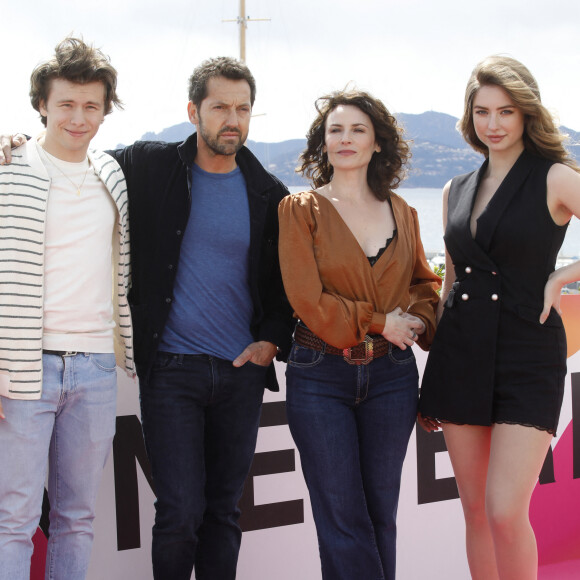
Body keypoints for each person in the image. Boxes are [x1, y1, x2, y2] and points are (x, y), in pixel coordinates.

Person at [108, 57, 293, 580]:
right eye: (219, 107)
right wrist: (20, 147)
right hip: (171, 371)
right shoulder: (148, 166)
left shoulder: (270, 194)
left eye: (242, 108)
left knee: (223, 513)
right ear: (194, 111)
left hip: (240, 373)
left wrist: (270, 343)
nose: (231, 119)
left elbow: (282, 290)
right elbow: (79, 163)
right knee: (180, 514)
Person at [418, 56, 580, 580]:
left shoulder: (555, 177)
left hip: (528, 355)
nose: (493, 124)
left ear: (526, 114)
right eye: (482, 111)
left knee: (506, 511)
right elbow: (451, 282)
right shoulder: (453, 190)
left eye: (505, 111)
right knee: (475, 512)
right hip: (461, 355)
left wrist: (562, 277)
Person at [278, 89, 441, 580]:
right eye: (336, 130)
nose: (345, 138)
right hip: (319, 373)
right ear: (323, 143)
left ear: (377, 144)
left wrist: (417, 320)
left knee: (379, 517)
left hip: (392, 377)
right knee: (341, 517)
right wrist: (379, 322)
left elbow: (423, 283)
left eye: (358, 130)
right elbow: (306, 299)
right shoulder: (299, 209)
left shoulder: (404, 212)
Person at [0, 37, 134, 580]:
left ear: (105, 109)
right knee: (15, 517)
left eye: (91, 106)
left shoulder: (113, 177)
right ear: (42, 105)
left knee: (78, 517)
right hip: (23, 369)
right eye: (66, 105)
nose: (79, 118)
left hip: (96, 369)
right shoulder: (10, 170)